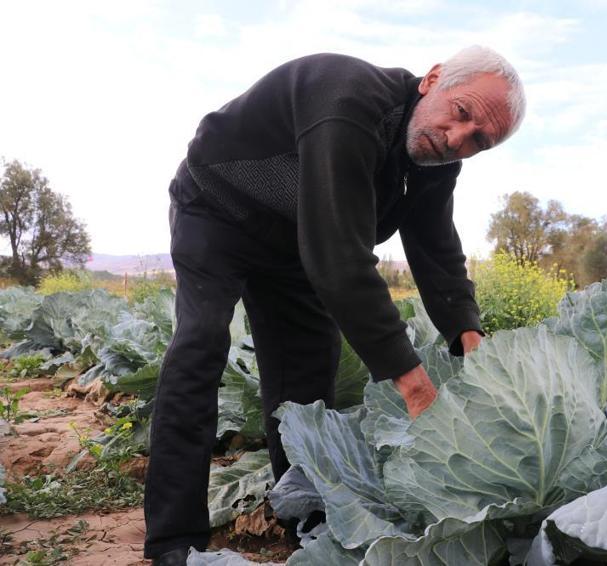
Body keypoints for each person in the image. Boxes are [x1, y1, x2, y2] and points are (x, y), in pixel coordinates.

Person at [143, 45, 526, 565]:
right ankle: (173, 538)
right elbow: (341, 259)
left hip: (295, 241)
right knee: (201, 343)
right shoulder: (348, 100)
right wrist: (413, 384)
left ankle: (296, 510)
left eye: (480, 141)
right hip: (219, 211)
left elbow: (435, 246)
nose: (459, 139)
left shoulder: (435, 158)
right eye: (461, 113)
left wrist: (468, 335)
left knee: (306, 379)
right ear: (432, 79)